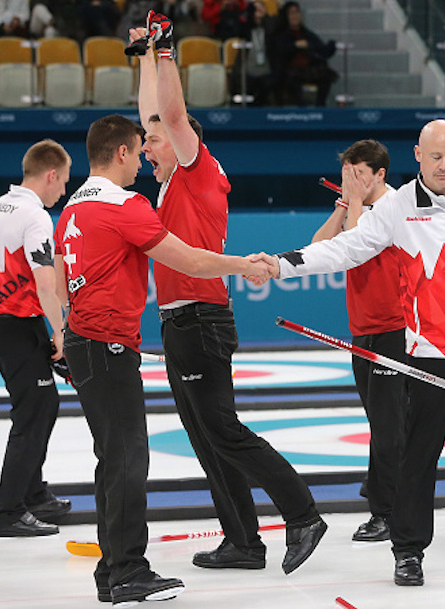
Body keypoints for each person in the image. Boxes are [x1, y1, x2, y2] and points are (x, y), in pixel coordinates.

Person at [256, 119, 445, 585]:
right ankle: (408, 551)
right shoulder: (399, 207)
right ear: (417, 155)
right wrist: (282, 265)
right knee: (416, 457)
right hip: (429, 352)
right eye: (435, 157)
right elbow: (347, 249)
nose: (444, 166)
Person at [128, 10, 327, 576]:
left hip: (199, 320)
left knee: (222, 430)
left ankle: (303, 513)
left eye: (152, 141)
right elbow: (155, 113)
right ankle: (243, 541)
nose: (145, 147)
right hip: (180, 322)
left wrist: (165, 53)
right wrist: (144, 54)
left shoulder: (196, 167)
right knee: (207, 437)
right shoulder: (170, 181)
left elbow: (168, 112)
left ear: (181, 137)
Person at [54, 114, 271, 605]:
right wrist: (245, 265)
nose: (144, 157)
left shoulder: (72, 207)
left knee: (112, 458)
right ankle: (129, 570)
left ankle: (113, 571)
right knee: (128, 459)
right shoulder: (123, 204)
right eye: (140, 147)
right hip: (108, 343)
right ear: (123, 153)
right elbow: (191, 261)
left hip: (85, 341)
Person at [0, 139, 73, 537]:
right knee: (34, 411)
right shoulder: (35, 217)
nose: (63, 190)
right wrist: (60, 333)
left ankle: (33, 494)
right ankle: (9, 511)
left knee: (40, 405)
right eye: (62, 182)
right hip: (17, 324)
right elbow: (47, 286)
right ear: (50, 175)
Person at [310, 139, 406, 543]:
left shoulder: (395, 208)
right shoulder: (357, 209)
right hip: (362, 328)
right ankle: (386, 500)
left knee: (388, 425)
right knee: (379, 422)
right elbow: (319, 250)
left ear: (380, 175)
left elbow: (355, 251)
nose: (350, 182)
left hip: (394, 328)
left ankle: (388, 512)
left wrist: (354, 206)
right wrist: (347, 205)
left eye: (358, 175)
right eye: (346, 174)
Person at [272, 1, 337, 106]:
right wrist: (295, 46)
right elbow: (279, 51)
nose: (295, 16)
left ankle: (320, 106)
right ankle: (301, 107)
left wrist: (331, 46)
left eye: (297, 12)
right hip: (288, 69)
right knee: (291, 80)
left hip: (307, 68)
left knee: (325, 76)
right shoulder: (281, 34)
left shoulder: (307, 34)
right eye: (291, 13)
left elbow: (321, 50)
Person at [230, 0, 277, 106]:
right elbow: (238, 30)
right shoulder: (247, 27)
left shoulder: (271, 26)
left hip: (266, 69)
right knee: (243, 86)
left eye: (261, 8)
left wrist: (263, 18)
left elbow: (275, 26)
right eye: (255, 8)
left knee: (268, 89)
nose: (258, 11)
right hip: (249, 69)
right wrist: (249, 15)